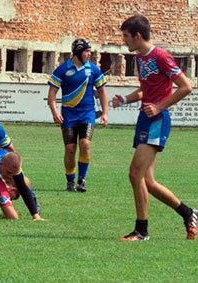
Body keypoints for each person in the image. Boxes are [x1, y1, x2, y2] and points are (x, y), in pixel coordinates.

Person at [113, 15, 196, 241]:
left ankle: (142, 231)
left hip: (157, 121)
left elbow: (186, 86)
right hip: (145, 119)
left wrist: (159, 107)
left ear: (137, 36)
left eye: (126, 36)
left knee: (134, 174)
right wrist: (126, 100)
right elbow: (145, 92)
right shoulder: (141, 58)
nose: (124, 41)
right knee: (147, 181)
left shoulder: (161, 56)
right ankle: (188, 213)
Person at [47, 38, 108, 192]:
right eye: (87, 51)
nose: (90, 54)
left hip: (87, 114)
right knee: (70, 149)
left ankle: (81, 180)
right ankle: (70, 180)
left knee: (85, 144)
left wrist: (105, 113)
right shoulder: (62, 69)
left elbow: (102, 92)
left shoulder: (93, 70)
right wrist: (54, 112)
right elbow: (52, 93)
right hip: (68, 115)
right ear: (78, 53)